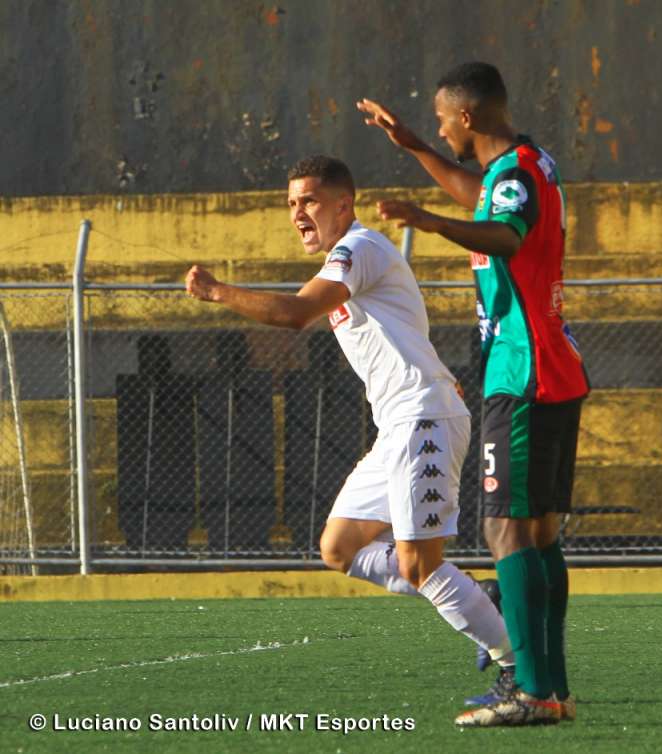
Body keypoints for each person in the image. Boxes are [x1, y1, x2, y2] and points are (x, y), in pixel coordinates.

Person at [185, 154, 513, 683]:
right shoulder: (346, 256)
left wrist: (217, 292)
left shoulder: (358, 248)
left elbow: (295, 315)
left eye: (309, 201)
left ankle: (516, 667)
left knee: (419, 565)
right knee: (339, 547)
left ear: (344, 204)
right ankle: (475, 593)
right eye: (292, 203)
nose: (297, 213)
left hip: (422, 415)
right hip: (401, 425)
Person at [358, 62, 588, 727]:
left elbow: (505, 235)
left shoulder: (515, 175)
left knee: (505, 529)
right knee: (538, 533)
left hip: (522, 372)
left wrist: (423, 219)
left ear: (468, 116)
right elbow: (482, 199)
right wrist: (417, 150)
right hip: (548, 368)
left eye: (440, 120)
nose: (437, 127)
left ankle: (535, 692)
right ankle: (554, 690)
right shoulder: (518, 170)